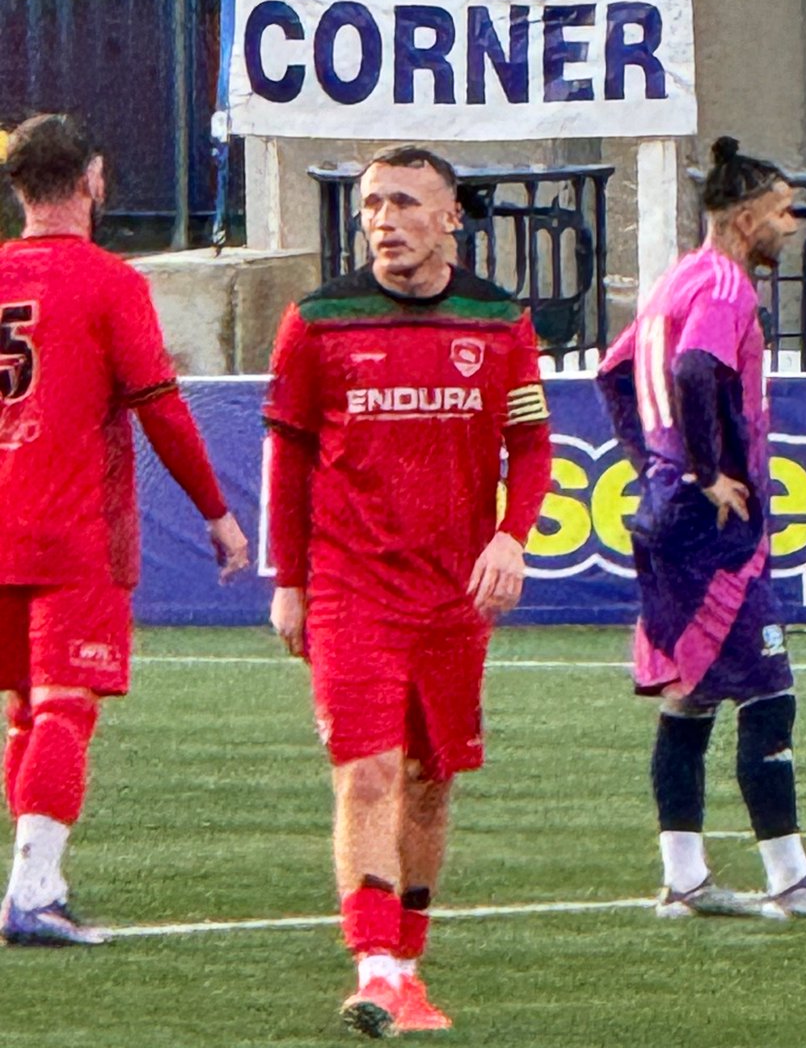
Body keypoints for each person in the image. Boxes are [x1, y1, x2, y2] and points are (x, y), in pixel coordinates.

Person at [265, 145, 552, 1037]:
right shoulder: (318, 322)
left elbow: (531, 448)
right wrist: (289, 581)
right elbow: (289, 458)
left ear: (450, 217)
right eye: (371, 207)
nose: (384, 222)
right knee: (368, 772)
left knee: (430, 782)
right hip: (350, 587)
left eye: (402, 203)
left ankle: (410, 971)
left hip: (454, 599)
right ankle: (375, 968)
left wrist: (511, 535)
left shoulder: (499, 322)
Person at [597, 136, 806, 920]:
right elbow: (694, 370)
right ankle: (790, 876)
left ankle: (684, 879)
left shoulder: (676, 281)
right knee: (769, 691)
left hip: (668, 514)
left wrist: (655, 466)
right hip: (711, 527)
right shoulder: (724, 286)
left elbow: (613, 372)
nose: (793, 226)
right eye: (785, 212)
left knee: (690, 697)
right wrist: (706, 471)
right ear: (745, 215)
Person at [0, 113, 249, 946]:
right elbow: (161, 410)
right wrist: (217, 512)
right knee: (65, 708)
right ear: (93, 179)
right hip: (74, 530)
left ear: (18, 187)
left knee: (26, 712)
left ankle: (37, 875)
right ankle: (32, 891)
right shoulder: (110, 283)